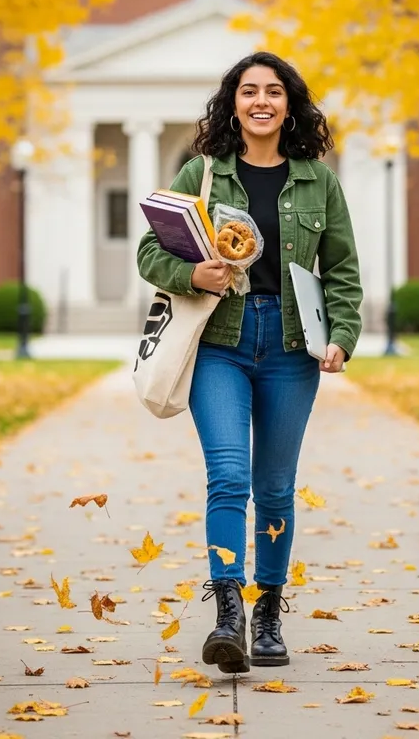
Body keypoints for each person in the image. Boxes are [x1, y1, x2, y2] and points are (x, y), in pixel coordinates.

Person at [137, 51, 362, 674]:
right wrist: (192, 272)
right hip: (221, 344)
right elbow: (149, 251)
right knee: (230, 478)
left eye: (273, 91)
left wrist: (342, 335)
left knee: (275, 489)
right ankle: (228, 613)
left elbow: (341, 270)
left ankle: (268, 614)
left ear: (290, 104)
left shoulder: (320, 180)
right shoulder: (201, 174)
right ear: (232, 104)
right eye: (248, 91)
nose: (260, 101)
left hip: (292, 348)